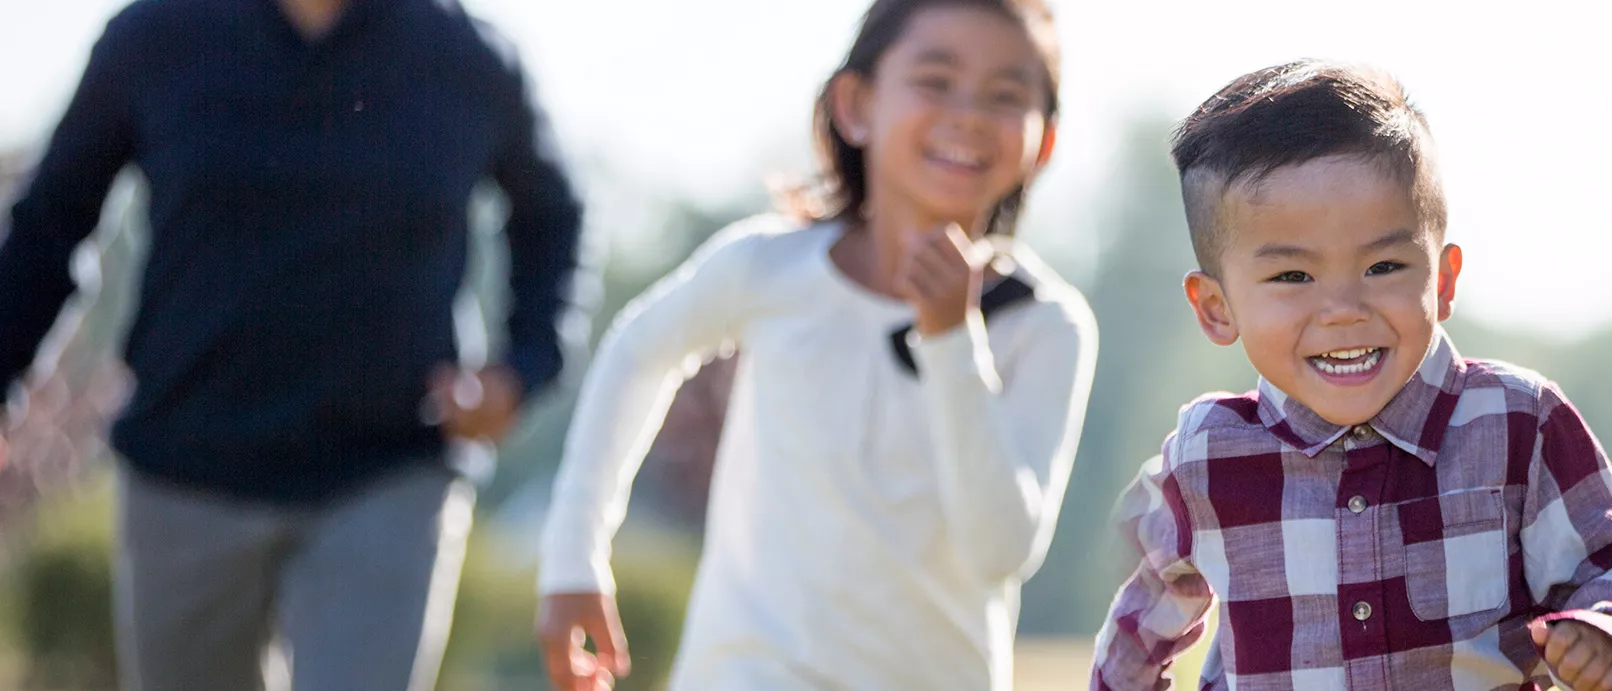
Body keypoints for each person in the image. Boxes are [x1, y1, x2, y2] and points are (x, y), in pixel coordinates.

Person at [0, 0, 585, 688]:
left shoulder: (465, 58)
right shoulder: (156, 38)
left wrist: (519, 370)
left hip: (386, 472)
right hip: (186, 471)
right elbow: (47, 228)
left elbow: (554, 218)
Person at [533, 1, 1095, 689]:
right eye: (935, 79)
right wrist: (573, 557)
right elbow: (635, 354)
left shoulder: (1047, 324)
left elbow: (1000, 546)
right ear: (855, 106)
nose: (969, 114)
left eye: (1005, 95)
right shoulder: (767, 269)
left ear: (1043, 143)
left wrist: (951, 337)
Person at [1088, 61, 1612, 691]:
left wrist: (1607, 630)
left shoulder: (1516, 423)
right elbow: (1138, 629)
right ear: (1217, 308)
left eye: (1383, 266)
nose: (1344, 309)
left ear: (1444, 280)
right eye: (1292, 276)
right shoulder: (1206, 454)